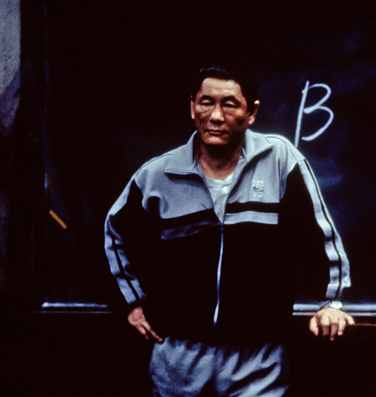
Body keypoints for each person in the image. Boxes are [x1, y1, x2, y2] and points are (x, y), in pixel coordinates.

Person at [104, 64, 354, 396]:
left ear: (252, 113)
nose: (216, 116)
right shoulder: (157, 175)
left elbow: (319, 233)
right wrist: (130, 302)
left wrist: (332, 302)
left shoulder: (280, 160)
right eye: (206, 102)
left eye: (230, 104)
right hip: (178, 357)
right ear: (192, 107)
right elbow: (113, 236)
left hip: (258, 359)